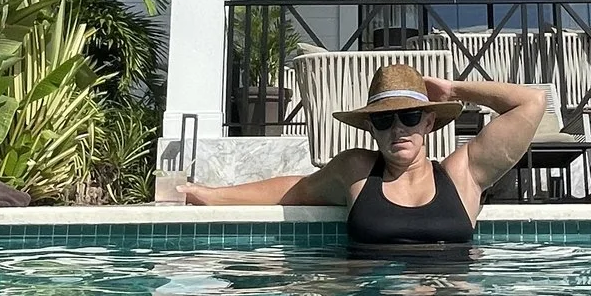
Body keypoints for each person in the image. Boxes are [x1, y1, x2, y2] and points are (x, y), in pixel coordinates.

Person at [181, 61, 548, 246]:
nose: (399, 128)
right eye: (385, 120)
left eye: (409, 116)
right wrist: (212, 196)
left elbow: (531, 102)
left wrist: (454, 88)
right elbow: (295, 189)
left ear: (428, 122)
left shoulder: (462, 173)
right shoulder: (356, 170)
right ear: (372, 128)